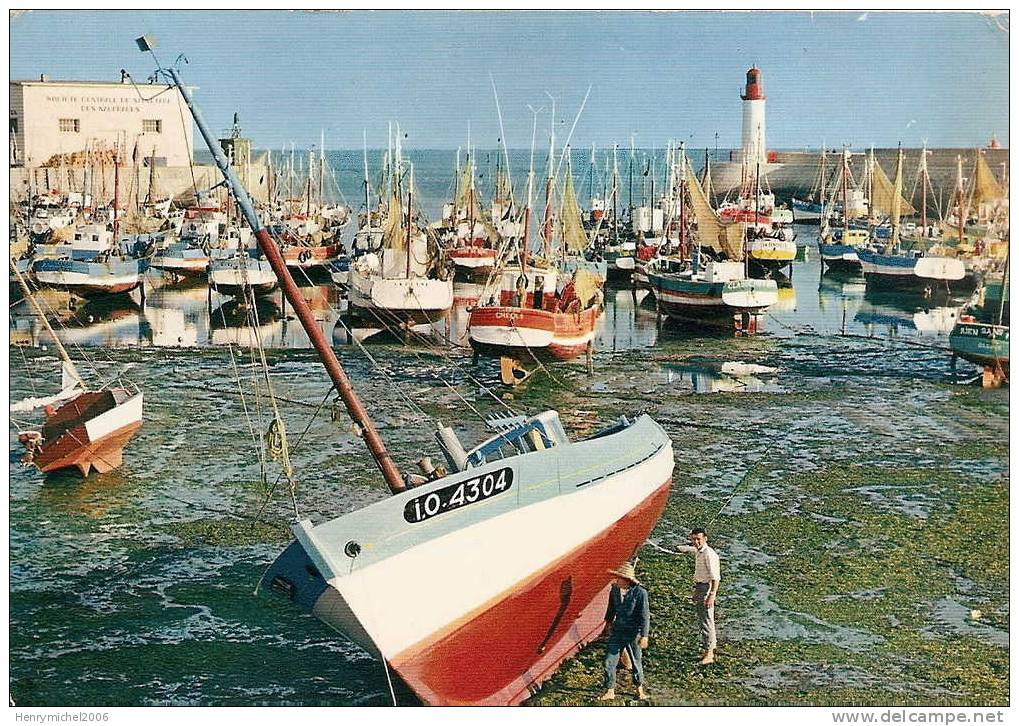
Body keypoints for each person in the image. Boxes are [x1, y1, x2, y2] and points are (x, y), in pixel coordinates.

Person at [599, 561, 649, 701]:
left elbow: (645, 615)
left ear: (627, 580)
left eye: (619, 578)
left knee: (636, 662)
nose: (616, 580)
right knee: (609, 660)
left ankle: (639, 689)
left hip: (633, 633)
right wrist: (607, 625)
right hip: (617, 631)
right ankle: (610, 690)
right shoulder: (614, 589)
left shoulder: (640, 593)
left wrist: (644, 636)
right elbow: (611, 609)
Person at [674, 528, 721, 664]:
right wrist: (681, 548)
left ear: (705, 538)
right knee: (703, 620)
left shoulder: (709, 555)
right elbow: (692, 550)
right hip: (700, 587)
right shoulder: (699, 552)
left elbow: (715, 578)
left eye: (698, 539)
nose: (696, 542)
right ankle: (709, 649)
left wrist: (712, 595)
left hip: (707, 588)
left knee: (707, 621)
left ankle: (710, 654)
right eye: (693, 539)